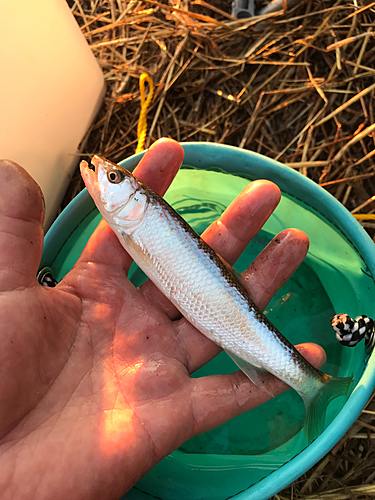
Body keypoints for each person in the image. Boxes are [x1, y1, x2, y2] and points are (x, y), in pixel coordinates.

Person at [0, 138, 325, 499]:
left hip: (225, 309)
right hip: (220, 309)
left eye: (112, 178)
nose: (98, 173)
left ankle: (311, 383)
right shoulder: (128, 223)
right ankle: (310, 383)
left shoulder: (135, 226)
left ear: (138, 202)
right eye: (113, 176)